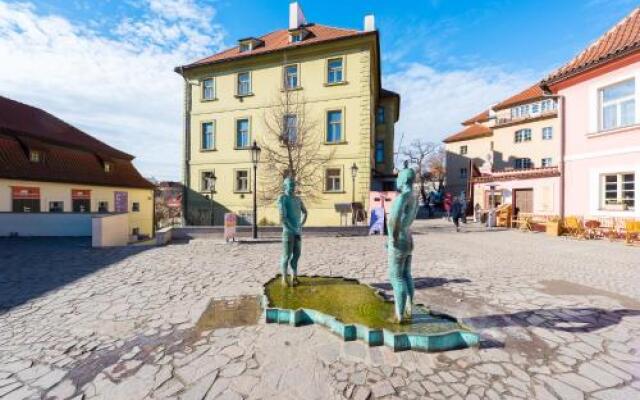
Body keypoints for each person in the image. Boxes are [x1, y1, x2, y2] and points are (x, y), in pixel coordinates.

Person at [387, 167, 419, 323]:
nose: (396, 180)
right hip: (408, 238)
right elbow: (410, 218)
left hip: (399, 240)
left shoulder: (402, 197)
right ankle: (409, 309)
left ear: (404, 180)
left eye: (398, 177)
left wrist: (392, 239)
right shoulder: (414, 197)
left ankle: (399, 316)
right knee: (406, 274)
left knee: (396, 277)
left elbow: (394, 220)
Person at [278, 177, 308, 286]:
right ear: (285, 186)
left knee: (297, 255)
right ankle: (284, 278)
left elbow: (305, 212)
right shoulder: (282, 198)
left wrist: (301, 225)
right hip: (288, 232)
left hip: (297, 232)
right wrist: (293, 229)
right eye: (290, 184)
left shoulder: (298, 199)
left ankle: (294, 276)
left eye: (293, 185)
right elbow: (283, 218)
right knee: (286, 256)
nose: (292, 187)